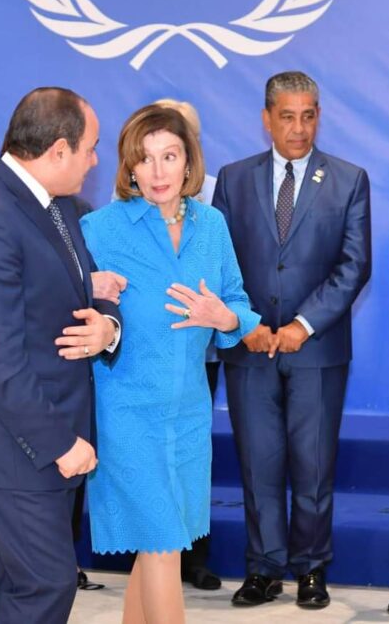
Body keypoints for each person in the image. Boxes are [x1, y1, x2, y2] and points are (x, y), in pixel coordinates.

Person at [0, 87, 121, 623]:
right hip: (12, 445)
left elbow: (91, 287)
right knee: (46, 583)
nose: (95, 161)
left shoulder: (56, 205)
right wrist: (59, 442)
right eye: (90, 148)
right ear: (58, 150)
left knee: (25, 586)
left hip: (43, 436)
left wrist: (107, 323)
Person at [81, 104, 260, 624]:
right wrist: (87, 289)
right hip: (126, 412)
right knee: (162, 544)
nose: (158, 171)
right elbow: (56, 300)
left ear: (189, 162)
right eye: (145, 158)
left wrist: (224, 318)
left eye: (170, 155)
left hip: (188, 415)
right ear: (129, 167)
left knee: (158, 543)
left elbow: (239, 303)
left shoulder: (212, 225)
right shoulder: (101, 228)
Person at [212, 71, 371, 609]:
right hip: (250, 346)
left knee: (313, 464)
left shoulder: (349, 179)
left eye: (308, 116)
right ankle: (263, 568)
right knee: (258, 464)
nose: (299, 128)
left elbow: (354, 265)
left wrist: (303, 324)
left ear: (318, 116)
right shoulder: (233, 179)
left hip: (317, 349)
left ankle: (311, 569)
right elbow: (220, 262)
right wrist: (247, 323)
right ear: (266, 119)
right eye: (287, 116)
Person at [154, 98, 221, 591]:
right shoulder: (126, 203)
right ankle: (152, 549)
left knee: (192, 455)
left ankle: (194, 557)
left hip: (202, 350)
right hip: (146, 351)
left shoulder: (217, 197)